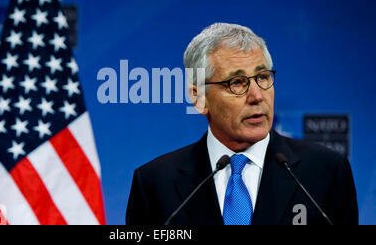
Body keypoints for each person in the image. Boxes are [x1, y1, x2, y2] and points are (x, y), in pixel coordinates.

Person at [126, 23, 358, 225]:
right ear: (199, 99)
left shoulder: (326, 173)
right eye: (236, 83)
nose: (257, 95)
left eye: (263, 77)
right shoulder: (154, 184)